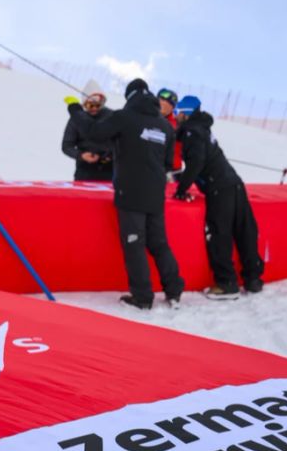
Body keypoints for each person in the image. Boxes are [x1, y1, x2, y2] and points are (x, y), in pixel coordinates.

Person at [65, 78, 185, 310]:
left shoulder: (124, 117)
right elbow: (169, 162)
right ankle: (174, 290)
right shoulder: (164, 125)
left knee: (134, 244)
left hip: (130, 193)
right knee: (159, 243)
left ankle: (142, 297)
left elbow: (93, 131)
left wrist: (74, 109)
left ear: (129, 97)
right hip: (155, 193)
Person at [173, 95, 265, 299]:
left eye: (178, 112)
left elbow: (196, 162)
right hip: (234, 183)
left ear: (185, 114)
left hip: (219, 187)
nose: (176, 116)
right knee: (244, 231)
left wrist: (181, 188)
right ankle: (253, 279)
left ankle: (227, 284)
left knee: (218, 234)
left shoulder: (192, 131)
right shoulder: (203, 128)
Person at [61, 91, 113, 181]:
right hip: (84, 171)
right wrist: (81, 155)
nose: (94, 109)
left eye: (98, 105)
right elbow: (66, 146)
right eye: (90, 105)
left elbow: (122, 142)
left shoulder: (112, 117)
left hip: (110, 171)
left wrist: (111, 155)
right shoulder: (76, 119)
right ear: (84, 105)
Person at [157, 88, 183, 179]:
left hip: (171, 171)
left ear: (172, 107)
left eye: (165, 101)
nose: (161, 103)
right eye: (160, 100)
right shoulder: (149, 118)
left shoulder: (176, 124)